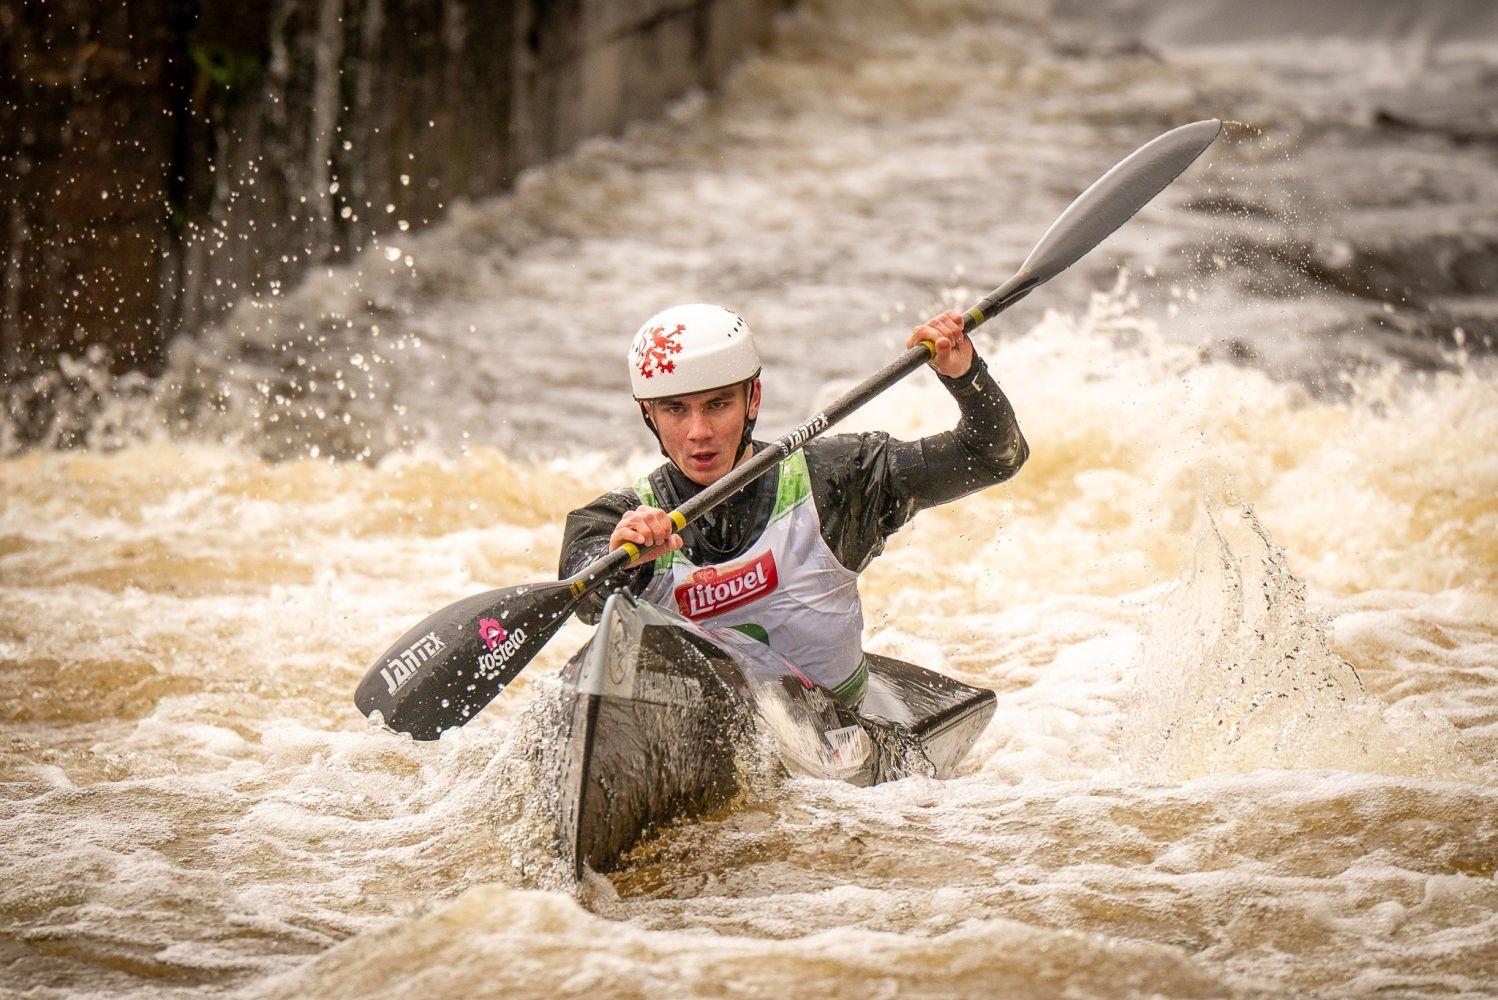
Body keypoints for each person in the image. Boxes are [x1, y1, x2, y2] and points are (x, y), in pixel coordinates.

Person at [558, 303, 1028, 707]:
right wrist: (621, 565)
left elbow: (993, 456)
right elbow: (586, 592)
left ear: (753, 399)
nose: (698, 432)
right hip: (701, 733)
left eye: (718, 405)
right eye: (676, 410)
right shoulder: (613, 521)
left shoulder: (842, 479)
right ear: (649, 415)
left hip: (837, 727)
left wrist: (965, 376)